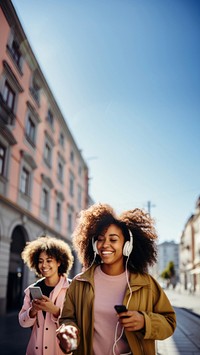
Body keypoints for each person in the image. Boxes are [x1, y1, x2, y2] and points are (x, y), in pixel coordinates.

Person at [57, 203, 176, 355]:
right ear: (94, 245)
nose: (105, 245)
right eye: (100, 239)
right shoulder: (79, 283)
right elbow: (67, 318)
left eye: (113, 240)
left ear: (127, 246)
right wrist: (68, 332)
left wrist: (145, 321)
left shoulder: (146, 283)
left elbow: (169, 322)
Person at [19, 235, 74, 355]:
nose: (44, 265)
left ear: (59, 262)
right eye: (40, 261)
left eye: (49, 260)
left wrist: (55, 311)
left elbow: (78, 323)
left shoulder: (72, 289)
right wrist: (32, 311)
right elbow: (23, 322)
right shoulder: (31, 290)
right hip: (35, 351)